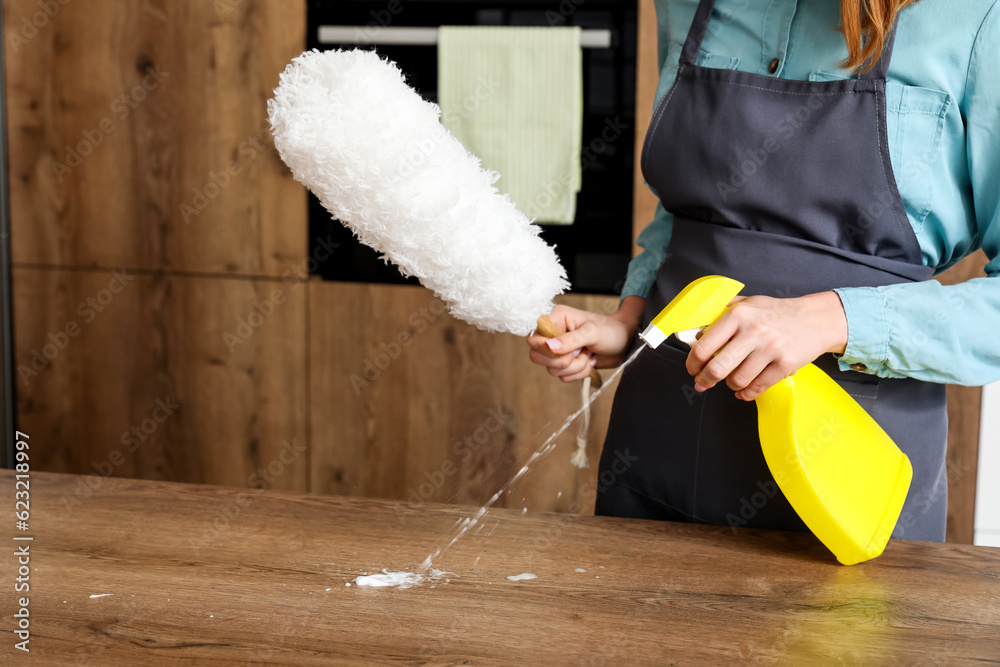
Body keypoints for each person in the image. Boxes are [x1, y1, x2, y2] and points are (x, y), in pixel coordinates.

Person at [527, 0, 1000, 542]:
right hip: (658, 449)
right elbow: (689, 209)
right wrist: (631, 322)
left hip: (846, 486)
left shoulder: (977, 18)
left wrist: (834, 319)